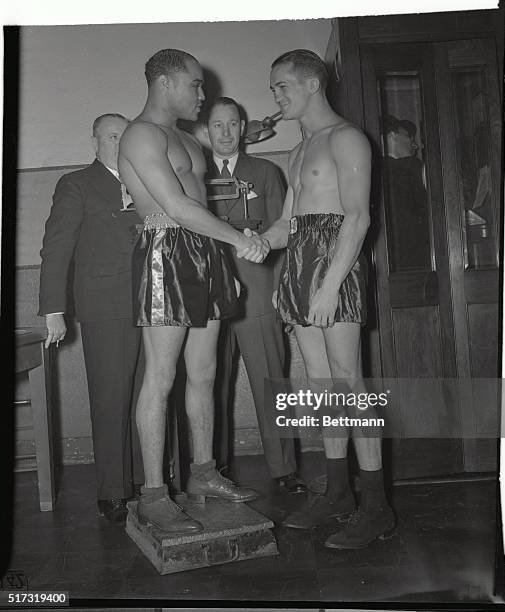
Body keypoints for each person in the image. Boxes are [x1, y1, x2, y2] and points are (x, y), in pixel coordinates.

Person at [118, 49, 269, 535]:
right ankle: (155, 493)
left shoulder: (186, 137)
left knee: (204, 372)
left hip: (206, 254)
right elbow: (178, 207)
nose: (202, 95)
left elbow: (198, 205)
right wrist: (241, 239)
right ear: (166, 83)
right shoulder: (140, 133)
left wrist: (226, 244)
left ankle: (203, 473)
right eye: (195, 85)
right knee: (161, 377)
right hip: (166, 250)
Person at [261, 49, 395, 549]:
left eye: (281, 86)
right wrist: (254, 242)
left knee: (349, 380)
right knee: (320, 384)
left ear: (312, 83)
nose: (275, 96)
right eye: (274, 88)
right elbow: (287, 225)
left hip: (337, 265)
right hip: (301, 263)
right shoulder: (299, 149)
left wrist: (331, 284)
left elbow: (357, 218)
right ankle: (338, 492)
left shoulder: (347, 138)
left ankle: (377, 507)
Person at [39, 114, 144, 524]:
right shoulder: (76, 184)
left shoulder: (148, 182)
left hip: (152, 304)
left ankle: (143, 480)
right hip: (105, 307)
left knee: (145, 396)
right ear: (96, 140)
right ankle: (112, 491)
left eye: (125, 135)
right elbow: (56, 248)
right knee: (110, 399)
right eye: (113, 135)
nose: (120, 142)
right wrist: (53, 309)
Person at [205, 97, 306, 493]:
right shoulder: (192, 175)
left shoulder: (265, 172)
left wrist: (283, 290)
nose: (226, 133)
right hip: (210, 292)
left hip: (259, 291)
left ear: (243, 127)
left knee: (271, 380)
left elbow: (286, 235)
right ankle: (213, 467)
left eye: (233, 124)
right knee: (210, 382)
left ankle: (284, 468)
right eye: (217, 125)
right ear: (206, 131)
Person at [384, 115, 431, 271]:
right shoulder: (416, 167)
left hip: (389, 258)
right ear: (392, 136)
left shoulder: (371, 168)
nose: (414, 144)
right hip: (417, 255)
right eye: (409, 137)